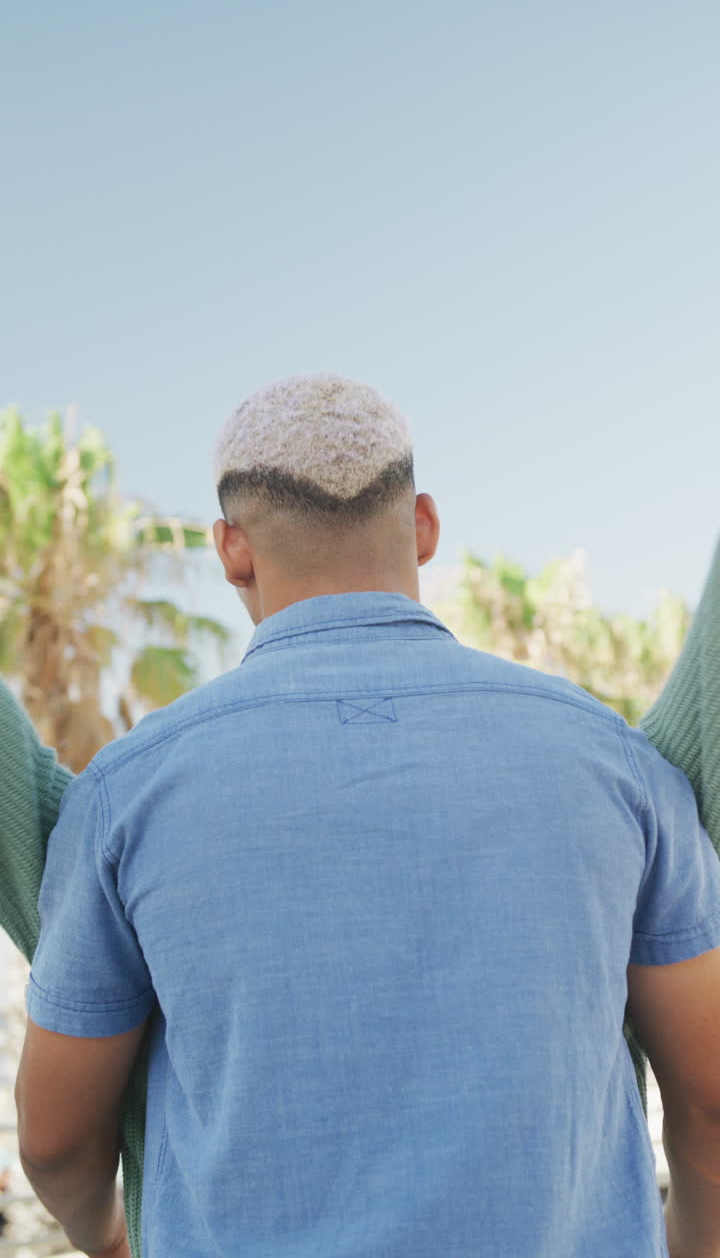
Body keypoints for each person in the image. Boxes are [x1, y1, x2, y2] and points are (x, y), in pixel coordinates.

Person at [12, 373, 720, 1257]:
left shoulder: (125, 797)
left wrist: (110, 1240)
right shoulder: (616, 767)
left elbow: (55, 1140)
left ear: (232, 551)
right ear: (423, 526)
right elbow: (708, 1096)